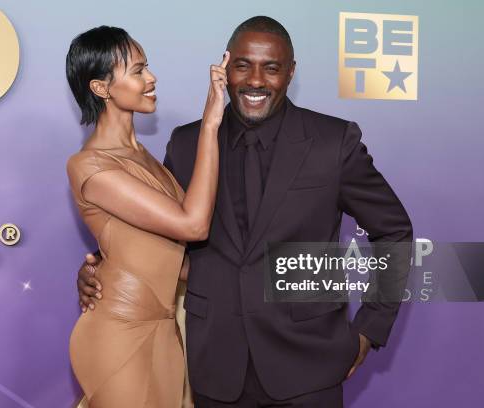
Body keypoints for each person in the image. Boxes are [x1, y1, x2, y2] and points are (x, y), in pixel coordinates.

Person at [77, 16, 413, 407]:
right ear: (224, 68)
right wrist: (99, 270)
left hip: (309, 365)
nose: (256, 80)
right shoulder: (187, 144)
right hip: (214, 367)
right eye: (242, 65)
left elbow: (394, 232)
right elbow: (154, 235)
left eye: (271, 68)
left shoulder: (332, 142)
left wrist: (368, 331)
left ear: (290, 72)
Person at [65, 25, 229, 407]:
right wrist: (210, 123)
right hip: (120, 333)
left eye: (147, 67)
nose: (151, 78)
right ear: (101, 88)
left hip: (166, 328)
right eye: (137, 71)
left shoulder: (146, 159)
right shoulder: (89, 166)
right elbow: (193, 224)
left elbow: (171, 257)